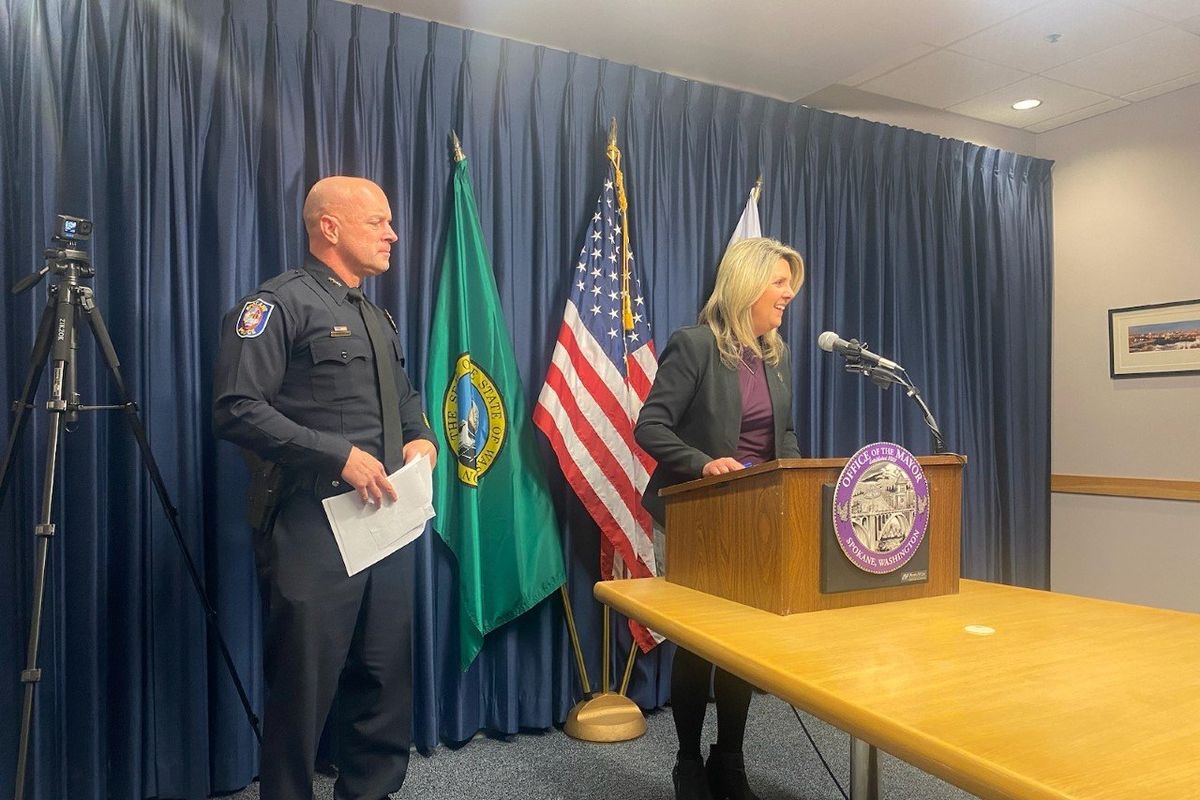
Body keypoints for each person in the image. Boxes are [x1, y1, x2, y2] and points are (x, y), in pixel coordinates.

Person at [213, 176, 437, 800]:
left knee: (384, 677)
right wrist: (338, 455)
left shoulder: (374, 315)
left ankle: (370, 791)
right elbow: (235, 408)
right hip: (310, 522)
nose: (393, 234)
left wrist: (420, 435)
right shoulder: (277, 306)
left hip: (384, 523)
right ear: (329, 227)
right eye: (378, 222)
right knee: (303, 688)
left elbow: (403, 394)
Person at [634, 237, 805, 800]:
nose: (788, 294)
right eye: (779, 282)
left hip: (754, 522)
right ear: (746, 283)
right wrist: (707, 465)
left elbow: (782, 438)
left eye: (789, 284)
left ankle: (728, 759)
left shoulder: (775, 357)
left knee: (741, 647)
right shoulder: (695, 346)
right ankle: (687, 762)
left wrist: (797, 479)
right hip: (695, 518)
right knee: (699, 644)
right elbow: (651, 427)